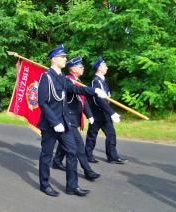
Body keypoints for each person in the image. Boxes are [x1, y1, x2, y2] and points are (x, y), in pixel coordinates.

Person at [37, 44, 108, 197]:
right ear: (54, 59)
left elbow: (76, 89)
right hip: (51, 124)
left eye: (65, 57)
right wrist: (54, 122)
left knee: (72, 152)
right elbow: (42, 102)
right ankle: (44, 184)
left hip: (65, 122)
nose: (65, 59)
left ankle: (72, 186)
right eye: (63, 57)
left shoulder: (62, 78)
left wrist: (94, 91)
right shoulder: (46, 77)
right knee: (46, 155)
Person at [52, 57, 100, 181]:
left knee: (66, 143)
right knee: (79, 145)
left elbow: (82, 102)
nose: (83, 68)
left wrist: (89, 115)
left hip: (74, 119)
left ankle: (57, 161)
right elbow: (77, 91)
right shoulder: (68, 81)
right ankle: (88, 171)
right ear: (73, 69)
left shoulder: (77, 81)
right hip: (68, 119)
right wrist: (93, 91)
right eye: (80, 66)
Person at [85, 57, 127, 164]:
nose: (107, 68)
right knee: (92, 135)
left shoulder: (103, 80)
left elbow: (107, 98)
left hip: (105, 114)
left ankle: (112, 157)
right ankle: (88, 156)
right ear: (99, 68)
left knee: (111, 134)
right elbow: (98, 99)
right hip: (97, 114)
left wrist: (110, 112)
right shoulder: (96, 81)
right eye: (105, 66)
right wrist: (112, 112)